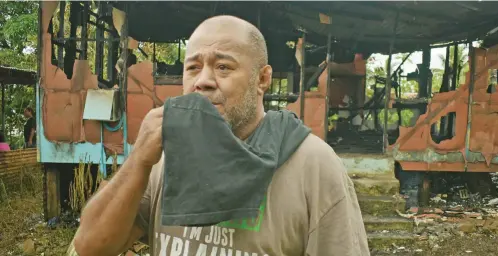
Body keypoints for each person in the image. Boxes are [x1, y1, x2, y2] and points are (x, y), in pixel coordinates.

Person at [72, 15, 370, 256]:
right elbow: (91, 247)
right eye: (193, 68)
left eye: (223, 67)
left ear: (262, 79)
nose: (202, 81)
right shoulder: (166, 159)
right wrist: (138, 160)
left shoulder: (312, 164)